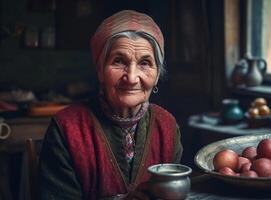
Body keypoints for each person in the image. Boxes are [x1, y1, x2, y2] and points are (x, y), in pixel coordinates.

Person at [38, 10, 183, 200]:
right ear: (100, 70)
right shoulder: (66, 127)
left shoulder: (167, 126)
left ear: (157, 75)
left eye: (145, 63)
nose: (131, 78)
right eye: (119, 61)